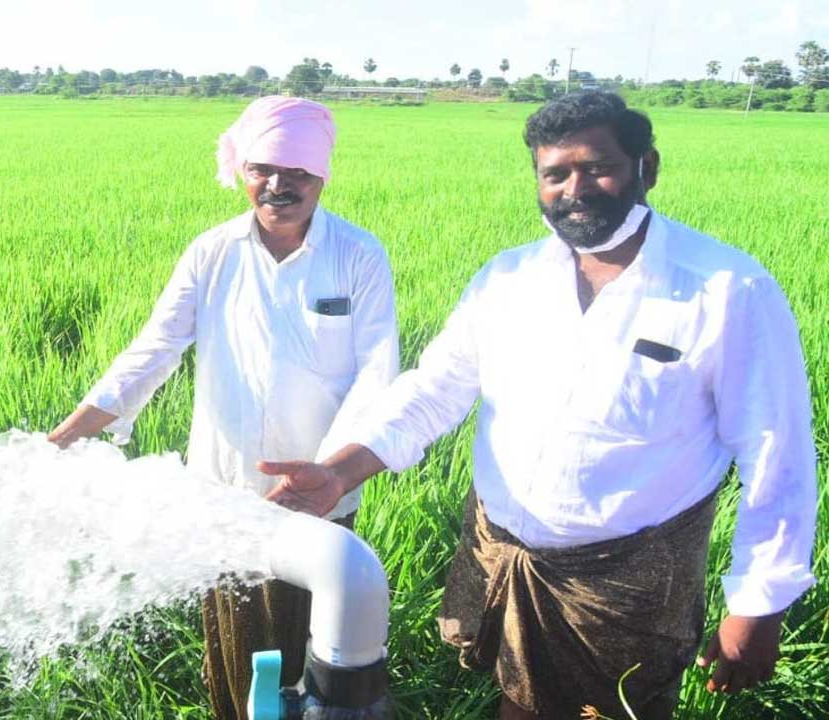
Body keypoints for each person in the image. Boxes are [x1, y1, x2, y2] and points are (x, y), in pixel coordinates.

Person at [260, 92, 818, 720]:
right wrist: (339, 472)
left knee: (618, 712)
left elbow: (777, 454)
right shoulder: (508, 280)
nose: (575, 189)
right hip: (504, 556)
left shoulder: (726, 289)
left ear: (647, 168)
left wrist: (759, 601)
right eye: (555, 174)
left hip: (625, 582)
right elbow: (433, 389)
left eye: (597, 167)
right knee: (519, 700)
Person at [47, 96, 399, 719]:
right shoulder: (212, 252)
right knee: (237, 651)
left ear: (322, 177)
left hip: (321, 494)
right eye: (264, 169)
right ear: (244, 171)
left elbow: (378, 374)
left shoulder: (359, 255)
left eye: (297, 173)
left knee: (324, 639)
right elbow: (155, 348)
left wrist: (334, 471)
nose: (278, 185)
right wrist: (69, 435)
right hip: (225, 493)